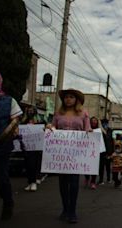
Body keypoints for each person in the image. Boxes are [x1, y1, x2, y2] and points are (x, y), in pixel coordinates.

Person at [46, 88, 91, 223]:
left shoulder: (83, 114)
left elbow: (87, 129)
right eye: (66, 97)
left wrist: (90, 133)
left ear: (76, 99)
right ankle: (65, 209)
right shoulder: (58, 114)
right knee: (63, 183)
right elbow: (53, 128)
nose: (68, 99)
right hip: (61, 153)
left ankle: (72, 211)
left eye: (71, 97)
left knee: (74, 182)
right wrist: (49, 128)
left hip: (76, 153)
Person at [0, 71, 22, 221]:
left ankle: (8, 203)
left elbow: (15, 120)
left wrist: (13, 130)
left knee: (2, 178)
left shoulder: (9, 101)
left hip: (2, 146)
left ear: (1, 82)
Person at [21, 106, 45, 192]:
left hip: (36, 147)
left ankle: (34, 182)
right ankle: (30, 182)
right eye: (29, 110)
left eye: (32, 110)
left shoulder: (39, 121)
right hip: (26, 147)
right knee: (27, 165)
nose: (30, 112)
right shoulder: (24, 121)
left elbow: (44, 129)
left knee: (34, 164)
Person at [84, 117, 102, 190]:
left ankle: (93, 182)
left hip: (96, 152)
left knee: (94, 168)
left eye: (95, 121)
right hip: (87, 151)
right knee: (86, 166)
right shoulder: (86, 129)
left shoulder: (99, 131)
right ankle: (87, 177)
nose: (94, 122)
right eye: (92, 121)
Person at [98, 119, 112, 185]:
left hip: (108, 152)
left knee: (108, 167)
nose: (105, 124)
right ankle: (101, 180)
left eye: (106, 123)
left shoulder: (110, 130)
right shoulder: (99, 131)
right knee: (101, 167)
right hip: (101, 152)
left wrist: (111, 152)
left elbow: (111, 141)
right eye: (104, 123)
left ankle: (109, 179)